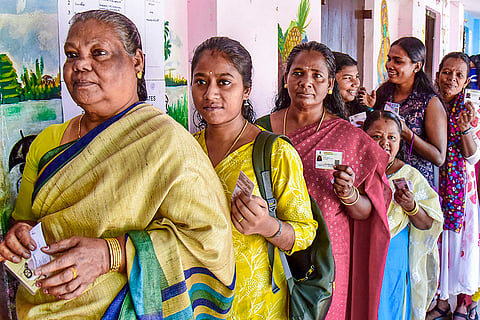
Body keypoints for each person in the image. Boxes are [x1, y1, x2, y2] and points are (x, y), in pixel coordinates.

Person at [0, 10, 235, 319]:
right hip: (40, 306)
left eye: (99, 53)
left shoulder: (166, 143)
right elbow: (27, 221)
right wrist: (18, 236)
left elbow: (210, 243)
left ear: (136, 62)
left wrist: (112, 254)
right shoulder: (47, 141)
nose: (81, 64)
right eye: (72, 55)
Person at [256, 41, 391, 320]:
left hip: (326, 256)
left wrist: (349, 194)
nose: (306, 82)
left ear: (330, 85)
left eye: (317, 76)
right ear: (286, 79)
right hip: (267, 244)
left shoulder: (348, 136)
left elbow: (369, 211)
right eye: (298, 73)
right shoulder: (260, 130)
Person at [191, 36, 318, 319]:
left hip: (257, 303)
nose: (210, 94)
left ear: (246, 90)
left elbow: (305, 234)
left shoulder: (274, 152)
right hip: (198, 296)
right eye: (201, 82)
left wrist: (267, 225)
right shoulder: (187, 149)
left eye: (224, 82)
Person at [363, 110, 443, 320]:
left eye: (392, 137)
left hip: (393, 257)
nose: (384, 143)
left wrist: (411, 207)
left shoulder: (410, 176)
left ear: (400, 141)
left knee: (390, 305)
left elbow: (428, 224)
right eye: (376, 136)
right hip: (362, 251)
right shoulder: (357, 171)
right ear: (364, 137)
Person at [427, 52, 480, 320]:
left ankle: (461, 302)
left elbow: (472, 156)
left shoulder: (471, 109)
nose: (452, 79)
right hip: (432, 182)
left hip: (460, 191)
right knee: (436, 241)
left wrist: (466, 128)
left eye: (459, 75)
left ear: (466, 80)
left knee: (459, 244)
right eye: (447, 72)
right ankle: (441, 300)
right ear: (437, 74)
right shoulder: (428, 103)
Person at [372, 37, 447, 187]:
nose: (389, 65)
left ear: (417, 66)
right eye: (389, 59)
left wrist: (406, 133)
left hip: (413, 184)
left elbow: (439, 157)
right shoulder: (383, 94)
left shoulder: (429, 102)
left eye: (398, 61)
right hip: (382, 179)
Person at [333, 51, 372, 116]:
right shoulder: (320, 113)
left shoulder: (357, 109)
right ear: (330, 81)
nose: (356, 83)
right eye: (348, 78)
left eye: (356, 76)